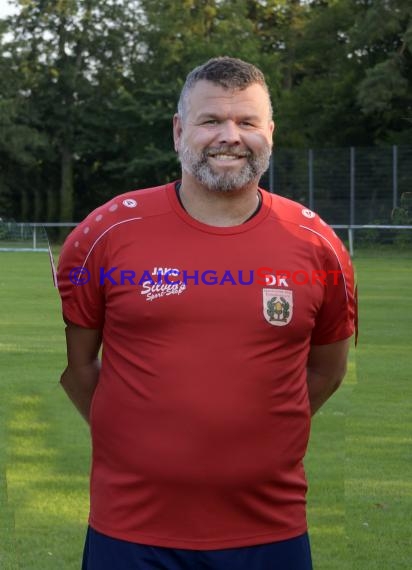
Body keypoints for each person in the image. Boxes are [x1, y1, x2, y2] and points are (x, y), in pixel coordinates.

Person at [57, 57, 356, 570]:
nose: (229, 136)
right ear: (179, 131)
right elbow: (80, 369)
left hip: (270, 529)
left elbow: (326, 370)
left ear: (270, 134)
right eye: (211, 120)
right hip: (131, 530)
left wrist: (251, 437)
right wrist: (142, 443)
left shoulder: (318, 246)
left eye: (247, 122)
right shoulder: (104, 234)